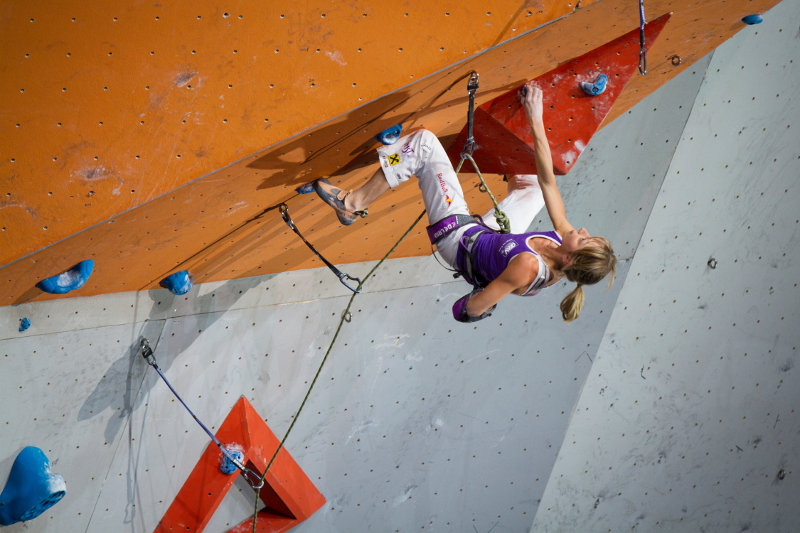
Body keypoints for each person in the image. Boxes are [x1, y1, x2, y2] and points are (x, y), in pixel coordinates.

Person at [312, 83, 616, 323]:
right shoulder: (562, 241)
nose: (583, 230)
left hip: (460, 242)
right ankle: (498, 152)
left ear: (568, 260)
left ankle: (351, 204)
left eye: (585, 239)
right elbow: (548, 181)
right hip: (495, 238)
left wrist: (481, 300)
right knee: (536, 189)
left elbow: (467, 310)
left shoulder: (527, 266)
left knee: (423, 144)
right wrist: (535, 117)